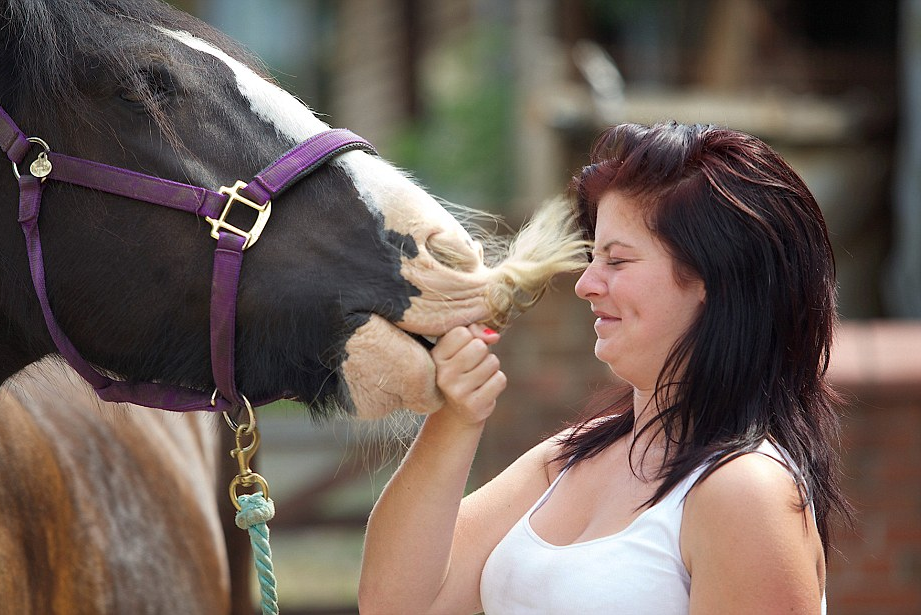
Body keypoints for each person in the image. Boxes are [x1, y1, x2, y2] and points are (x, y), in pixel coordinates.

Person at [358, 121, 849, 614]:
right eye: (594, 257)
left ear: (715, 280)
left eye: (617, 262)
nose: (586, 284)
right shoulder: (570, 459)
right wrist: (457, 417)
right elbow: (395, 606)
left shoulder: (746, 490)